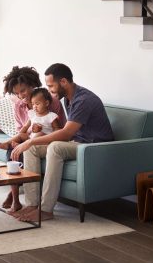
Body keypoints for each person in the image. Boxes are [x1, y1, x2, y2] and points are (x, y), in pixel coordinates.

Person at [10, 63, 114, 222]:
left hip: (94, 147)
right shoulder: (68, 99)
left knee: (55, 147)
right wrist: (30, 143)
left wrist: (29, 142)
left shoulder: (83, 100)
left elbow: (65, 133)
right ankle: (32, 204)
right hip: (78, 143)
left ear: (63, 82)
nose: (49, 90)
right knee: (31, 149)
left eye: (51, 86)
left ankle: (45, 210)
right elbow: (68, 133)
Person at [0, 66, 66, 212]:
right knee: (12, 150)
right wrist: (19, 139)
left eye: (23, 91)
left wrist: (35, 133)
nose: (21, 96)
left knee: (25, 148)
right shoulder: (19, 105)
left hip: (46, 139)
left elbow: (60, 129)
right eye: (16, 93)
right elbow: (21, 130)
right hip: (28, 138)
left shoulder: (51, 101)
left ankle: (13, 194)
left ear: (32, 85)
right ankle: (16, 200)